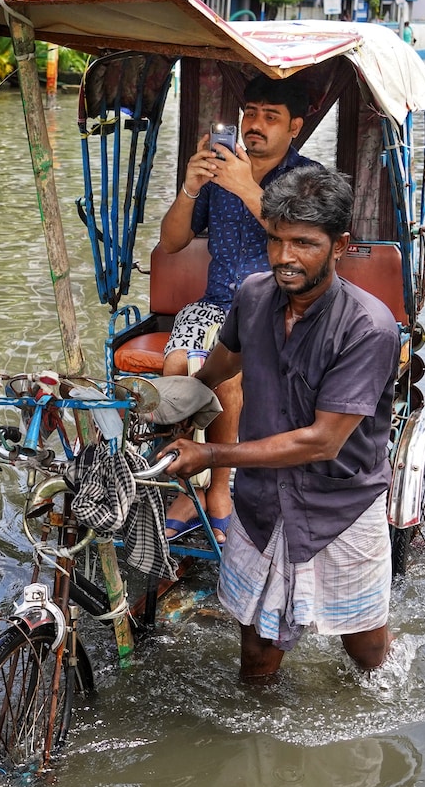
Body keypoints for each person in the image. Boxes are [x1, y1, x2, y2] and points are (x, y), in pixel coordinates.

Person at [160, 164, 401, 681]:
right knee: (255, 659)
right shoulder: (252, 295)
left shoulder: (369, 327)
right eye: (275, 240)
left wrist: (211, 455)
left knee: (366, 655)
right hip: (262, 502)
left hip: (339, 506)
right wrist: (162, 409)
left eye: (303, 243)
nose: (285, 258)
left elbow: (321, 442)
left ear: (340, 245)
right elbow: (220, 368)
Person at [155, 75, 318, 545]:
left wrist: (247, 186)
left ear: (295, 128)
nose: (255, 125)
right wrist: (190, 187)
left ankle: (220, 488)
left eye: (271, 117)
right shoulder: (216, 175)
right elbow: (171, 243)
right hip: (214, 305)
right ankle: (187, 487)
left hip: (280, 307)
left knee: (224, 371)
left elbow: (300, 239)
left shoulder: (307, 179)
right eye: (250, 113)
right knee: (177, 366)